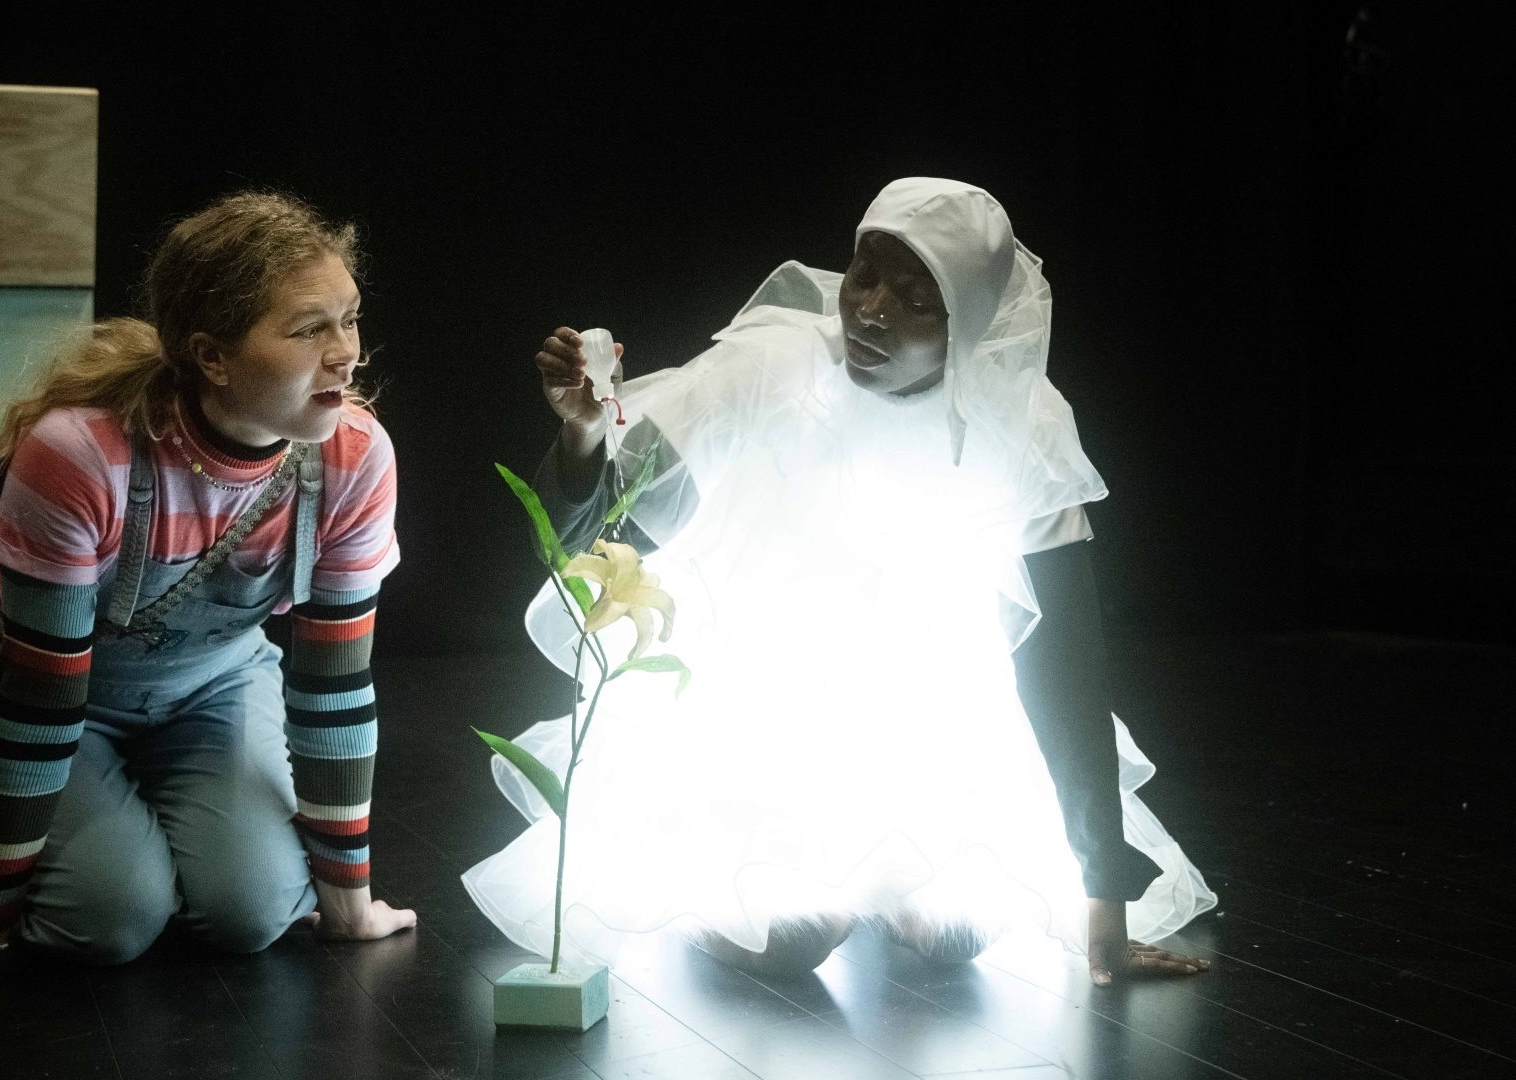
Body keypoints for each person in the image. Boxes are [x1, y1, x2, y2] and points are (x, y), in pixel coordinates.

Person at [463, 178, 1213, 985]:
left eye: (916, 299)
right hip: (767, 722)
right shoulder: (772, 366)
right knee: (788, 940)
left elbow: (1065, 667)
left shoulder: (1020, 422)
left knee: (957, 936)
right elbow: (583, 534)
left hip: (922, 731)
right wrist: (583, 432)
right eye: (865, 275)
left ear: (967, 325)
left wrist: (1104, 911)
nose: (872, 312)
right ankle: (754, 899)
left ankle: (883, 892)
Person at [0, 192, 416, 980]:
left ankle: (138, 809)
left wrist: (349, 909)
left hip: (210, 688)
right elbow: (41, 705)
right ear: (211, 356)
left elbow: (334, 691)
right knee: (109, 919)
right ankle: (101, 820)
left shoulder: (355, 457)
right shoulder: (80, 454)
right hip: (35, 689)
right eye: (309, 329)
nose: (347, 354)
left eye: (349, 320)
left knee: (251, 914)